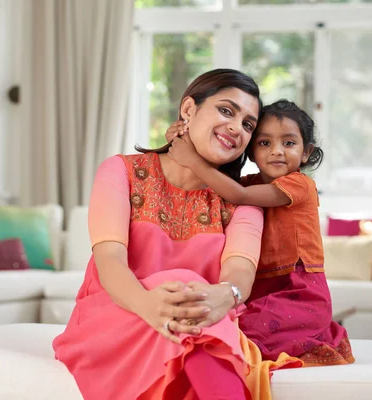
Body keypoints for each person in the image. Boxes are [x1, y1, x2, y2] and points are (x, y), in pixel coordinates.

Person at [52, 70, 302, 400]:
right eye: (226, 111)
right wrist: (147, 304)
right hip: (116, 316)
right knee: (188, 289)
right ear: (188, 110)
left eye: (248, 125)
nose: (235, 128)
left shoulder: (243, 200)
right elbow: (109, 259)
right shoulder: (122, 171)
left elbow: (240, 270)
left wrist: (224, 297)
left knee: (191, 303)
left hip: (199, 318)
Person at [164, 99, 355, 365]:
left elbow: (236, 194)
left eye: (288, 143)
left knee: (236, 335)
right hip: (262, 288)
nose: (276, 151)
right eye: (265, 143)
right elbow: (212, 188)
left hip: (299, 293)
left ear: (305, 152)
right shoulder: (248, 184)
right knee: (221, 326)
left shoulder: (300, 185)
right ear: (251, 151)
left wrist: (193, 161)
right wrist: (182, 139)